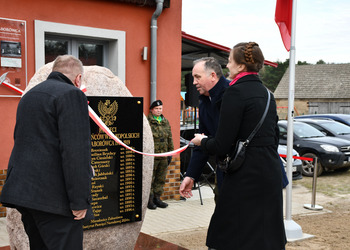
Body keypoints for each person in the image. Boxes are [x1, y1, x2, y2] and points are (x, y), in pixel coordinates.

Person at [186, 42, 287, 249]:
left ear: (241, 66)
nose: (227, 65)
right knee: (265, 235)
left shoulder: (234, 92)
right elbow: (274, 137)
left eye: (230, 61)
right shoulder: (268, 93)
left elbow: (222, 144)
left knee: (229, 236)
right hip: (269, 173)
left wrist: (201, 141)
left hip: (244, 176)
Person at [0, 55, 93, 250]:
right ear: (78, 79)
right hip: (55, 201)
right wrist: (79, 201)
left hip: (26, 196)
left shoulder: (30, 95)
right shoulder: (71, 94)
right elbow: (74, 152)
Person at [180, 57, 230, 202]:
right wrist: (191, 175)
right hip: (223, 173)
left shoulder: (232, 95)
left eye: (197, 77)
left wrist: (205, 141)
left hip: (243, 177)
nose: (194, 82)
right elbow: (202, 140)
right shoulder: (204, 102)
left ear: (213, 76)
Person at [147, 100, 174, 209]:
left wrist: (171, 152)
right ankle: (149, 200)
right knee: (151, 178)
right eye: (157, 109)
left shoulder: (165, 121)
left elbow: (169, 138)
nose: (159, 111)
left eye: (160, 109)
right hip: (152, 155)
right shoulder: (148, 121)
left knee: (160, 178)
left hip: (163, 154)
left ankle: (157, 198)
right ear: (152, 110)